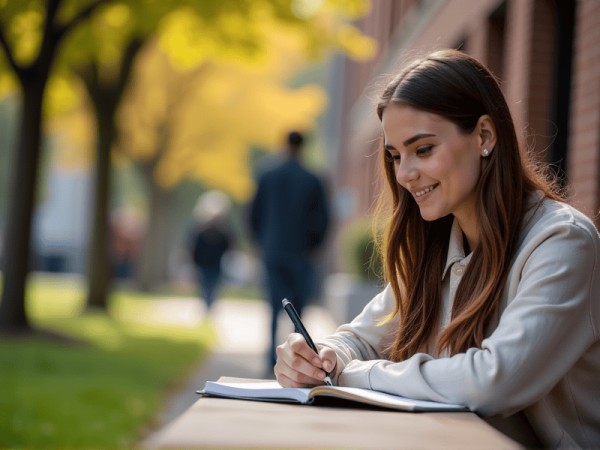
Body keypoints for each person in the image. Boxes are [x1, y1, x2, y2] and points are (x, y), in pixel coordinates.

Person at [274, 50, 600, 448]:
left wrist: (351, 374)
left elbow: (492, 380)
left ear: (484, 135)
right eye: (395, 155)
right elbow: (359, 339)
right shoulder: (436, 246)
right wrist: (319, 356)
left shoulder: (562, 242)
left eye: (423, 149)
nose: (405, 174)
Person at [250, 131, 330, 370]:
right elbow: (324, 217)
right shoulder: (313, 179)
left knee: (274, 305)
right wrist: (315, 246)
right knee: (298, 308)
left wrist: (260, 243)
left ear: (284, 145)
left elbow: (253, 213)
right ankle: (297, 361)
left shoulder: (267, 175)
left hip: (273, 249)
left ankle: (269, 360)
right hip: (301, 251)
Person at [189, 190, 234, 313]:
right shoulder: (200, 229)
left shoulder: (223, 230)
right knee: (206, 286)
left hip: (215, 263)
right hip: (204, 263)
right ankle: (207, 305)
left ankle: (209, 305)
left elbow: (229, 244)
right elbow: (194, 246)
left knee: (212, 286)